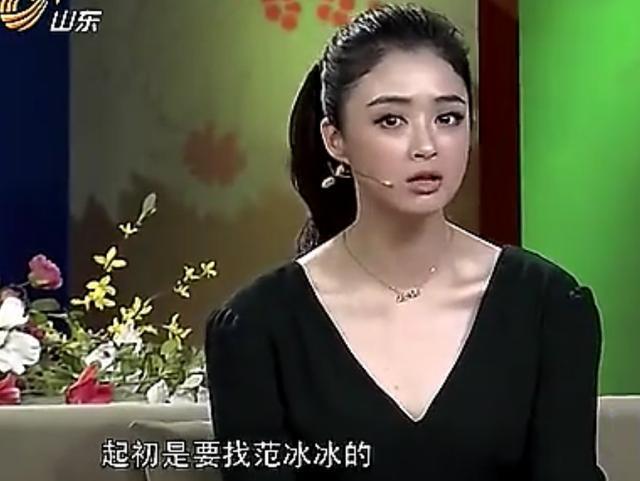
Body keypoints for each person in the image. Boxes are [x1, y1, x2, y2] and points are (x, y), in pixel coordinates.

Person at [205, 3, 607, 480]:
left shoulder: (548, 308)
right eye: (391, 120)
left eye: (448, 118)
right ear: (336, 139)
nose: (427, 146)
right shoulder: (256, 329)